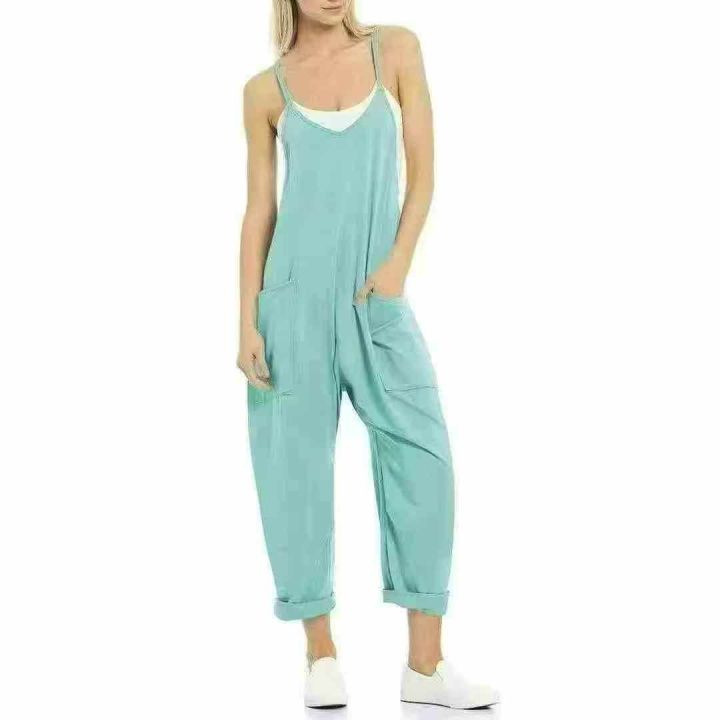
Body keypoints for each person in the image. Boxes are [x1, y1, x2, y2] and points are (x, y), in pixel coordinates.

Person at [238, 0, 498, 709]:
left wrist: (396, 268)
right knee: (294, 475)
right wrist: (247, 322)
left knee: (424, 459)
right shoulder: (264, 91)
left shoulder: (397, 50)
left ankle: (426, 666)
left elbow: (423, 173)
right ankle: (319, 653)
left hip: (373, 297)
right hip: (289, 304)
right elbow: (260, 210)